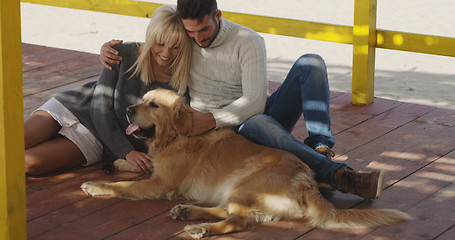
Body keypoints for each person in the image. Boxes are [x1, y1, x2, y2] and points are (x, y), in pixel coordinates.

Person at [100, 0, 385, 199]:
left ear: (218, 16)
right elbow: (158, 44)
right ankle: (336, 176)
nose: (197, 39)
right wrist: (110, 49)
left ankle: (320, 150)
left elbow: (254, 102)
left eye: (204, 30)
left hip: (250, 115)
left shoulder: (247, 41)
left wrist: (209, 118)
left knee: (310, 63)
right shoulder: (185, 38)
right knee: (264, 125)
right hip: (214, 133)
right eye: (190, 32)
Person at [24, 5, 192, 175]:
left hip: (98, 139)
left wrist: (126, 151)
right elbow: (100, 107)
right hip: (75, 106)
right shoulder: (121, 54)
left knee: (26, 163)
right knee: (12, 143)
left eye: (175, 46)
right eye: (160, 43)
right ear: (150, 36)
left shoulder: (185, 84)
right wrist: (126, 151)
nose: (166, 52)